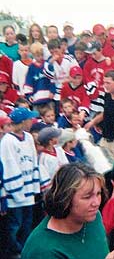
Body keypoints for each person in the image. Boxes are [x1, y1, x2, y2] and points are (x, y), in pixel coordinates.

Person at [21, 163, 114, 259]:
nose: (96, 203)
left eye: (98, 194)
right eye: (87, 197)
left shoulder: (94, 218)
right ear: (65, 198)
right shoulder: (43, 250)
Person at [1, 107, 50, 258]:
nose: (32, 121)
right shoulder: (7, 141)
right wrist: (16, 191)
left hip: (29, 193)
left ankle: (26, 251)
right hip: (16, 196)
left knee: (27, 225)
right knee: (14, 226)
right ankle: (15, 252)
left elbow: (33, 162)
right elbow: (8, 166)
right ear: (22, 122)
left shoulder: (28, 137)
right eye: (29, 119)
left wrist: (36, 188)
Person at [84, 70, 114, 157]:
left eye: (108, 83)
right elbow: (106, 112)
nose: (105, 85)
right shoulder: (107, 95)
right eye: (104, 82)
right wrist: (92, 122)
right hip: (105, 140)